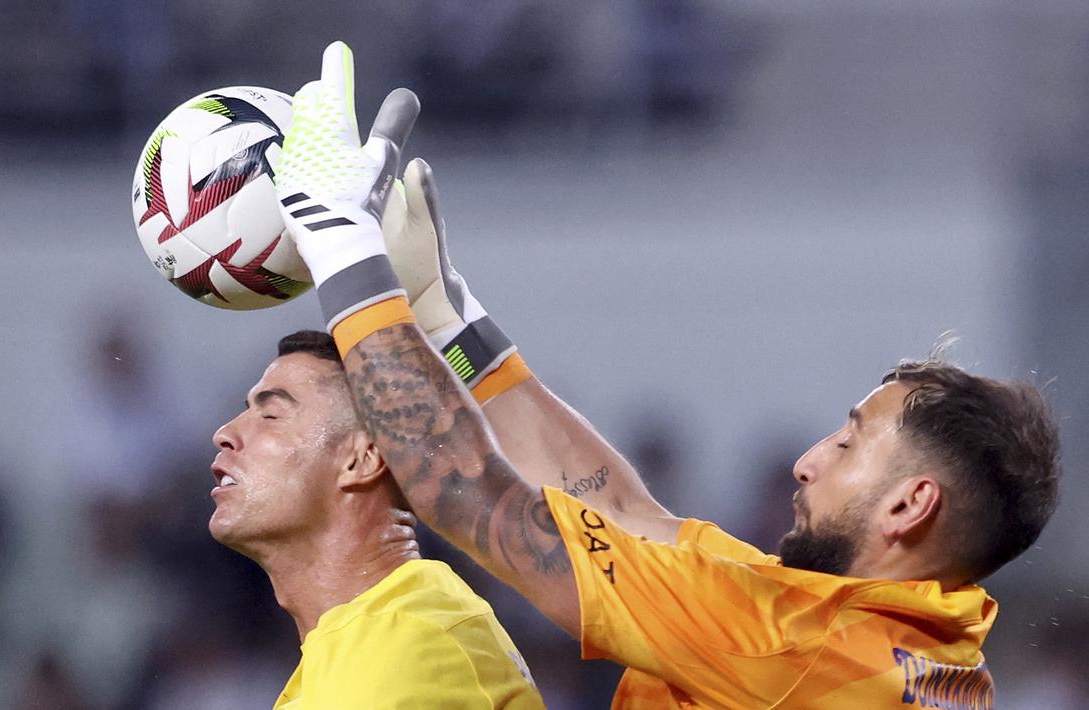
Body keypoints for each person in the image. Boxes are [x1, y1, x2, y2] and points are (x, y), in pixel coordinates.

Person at [271, 42, 1062, 708]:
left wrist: (342, 250)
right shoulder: (881, 630)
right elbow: (621, 513)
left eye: (849, 445)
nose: (807, 459)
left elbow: (468, 494)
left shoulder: (798, 652)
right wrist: (450, 325)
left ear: (910, 504)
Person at [207, 329, 543, 708]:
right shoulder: (361, 643)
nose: (225, 433)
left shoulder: (409, 646)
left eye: (270, 415)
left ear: (362, 459)